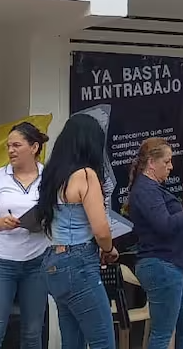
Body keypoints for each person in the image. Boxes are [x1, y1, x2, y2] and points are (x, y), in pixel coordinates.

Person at [36, 113, 118, 349]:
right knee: (103, 341)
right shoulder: (85, 175)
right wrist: (109, 250)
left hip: (54, 262)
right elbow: (101, 230)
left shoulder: (54, 177)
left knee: (72, 342)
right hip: (79, 262)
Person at [126, 137, 183, 349]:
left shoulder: (150, 189)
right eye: (166, 162)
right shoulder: (146, 189)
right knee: (163, 332)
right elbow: (164, 225)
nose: (171, 167)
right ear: (151, 163)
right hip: (161, 264)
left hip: (173, 264)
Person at [0, 122, 52, 349]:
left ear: (34, 147)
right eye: (8, 146)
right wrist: (0, 222)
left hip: (38, 262)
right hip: (1, 262)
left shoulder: (49, 177)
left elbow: (58, 213)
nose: (11, 150)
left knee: (32, 333)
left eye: (17, 145)